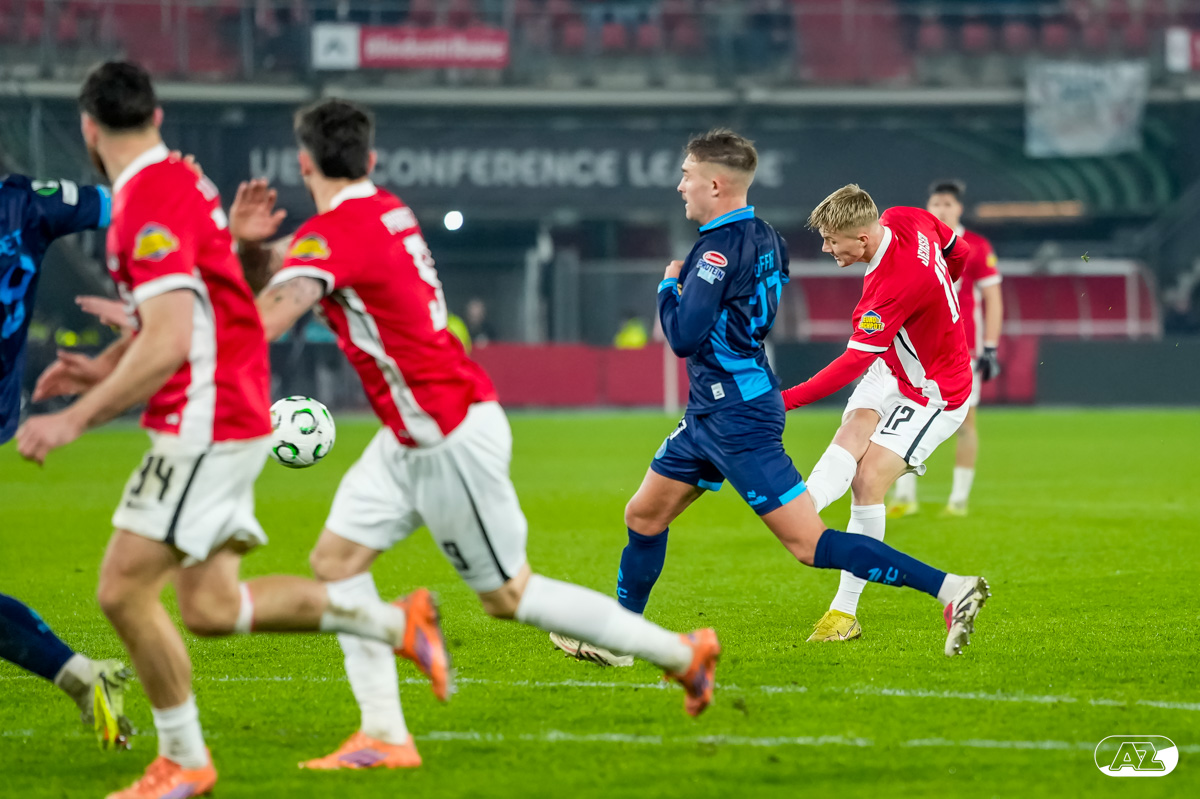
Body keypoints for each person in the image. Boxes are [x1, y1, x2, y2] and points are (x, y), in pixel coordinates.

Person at [228, 98, 721, 770]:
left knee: (508, 595)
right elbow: (285, 270)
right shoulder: (384, 211)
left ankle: (681, 654)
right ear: (370, 159)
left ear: (303, 164)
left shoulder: (337, 233)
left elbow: (271, 313)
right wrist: (248, 248)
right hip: (410, 434)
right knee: (336, 564)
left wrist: (180, 345)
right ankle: (384, 734)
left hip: (445, 433)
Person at [22, 62, 449, 799]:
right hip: (230, 407)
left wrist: (73, 420)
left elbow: (169, 337)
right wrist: (106, 367)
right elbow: (196, 305)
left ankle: (184, 760)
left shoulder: (147, 202)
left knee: (122, 590)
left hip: (206, 416)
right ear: (157, 117)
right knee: (211, 608)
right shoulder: (185, 182)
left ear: (88, 129)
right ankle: (394, 623)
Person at [549, 135, 989, 666]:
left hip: (744, 412)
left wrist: (668, 289)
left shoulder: (718, 252)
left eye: (687, 174)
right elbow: (957, 252)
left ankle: (949, 588)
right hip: (713, 409)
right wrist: (936, 300)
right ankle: (621, 640)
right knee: (643, 515)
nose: (680, 185)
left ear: (716, 184)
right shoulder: (769, 238)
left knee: (813, 540)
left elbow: (684, 337)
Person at [780, 184, 983, 643]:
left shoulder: (892, 286)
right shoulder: (907, 216)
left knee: (868, 479)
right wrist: (935, 305)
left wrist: (784, 400)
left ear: (863, 239)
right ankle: (801, 509)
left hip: (933, 391)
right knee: (852, 432)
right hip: (893, 364)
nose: (826, 248)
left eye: (832, 240)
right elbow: (960, 252)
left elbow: (851, 363)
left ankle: (843, 612)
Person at [0, 171, 132, 747]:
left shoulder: (28, 201)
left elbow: (136, 205)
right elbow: (131, 204)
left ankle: (80, 675)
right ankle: (80, 675)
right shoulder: (29, 202)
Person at [889, 180, 1003, 518]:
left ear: (959, 209)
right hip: (916, 348)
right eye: (936, 203)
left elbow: (993, 299)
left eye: (948, 204)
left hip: (962, 349)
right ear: (927, 207)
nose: (941, 209)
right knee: (903, 416)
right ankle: (904, 495)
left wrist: (990, 347)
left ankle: (958, 500)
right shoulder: (915, 242)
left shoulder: (977, 246)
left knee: (966, 422)